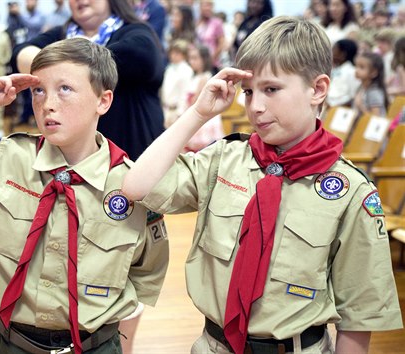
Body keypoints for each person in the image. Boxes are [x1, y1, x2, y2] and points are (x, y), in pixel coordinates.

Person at [122, 16, 403, 354]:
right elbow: (137, 186)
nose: (255, 106)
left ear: (317, 89)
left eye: (271, 89)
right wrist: (198, 114)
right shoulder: (224, 160)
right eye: (249, 91)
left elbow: (359, 318)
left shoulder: (350, 192)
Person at [0, 38, 169, 354]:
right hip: (13, 344)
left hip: (97, 346)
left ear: (103, 101)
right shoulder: (4, 160)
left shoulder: (131, 183)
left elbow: (145, 272)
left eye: (65, 89)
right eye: (38, 90)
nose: (48, 103)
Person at [11, 0, 166, 161]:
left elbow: (141, 57)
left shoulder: (137, 33)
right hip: (73, 164)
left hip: (133, 159)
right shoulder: (61, 35)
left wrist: (55, 67)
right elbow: (19, 54)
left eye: (65, 88)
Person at [161, 39, 194, 128]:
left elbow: (185, 93)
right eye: (172, 52)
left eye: (177, 53)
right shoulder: (169, 68)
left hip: (176, 111)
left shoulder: (187, 70)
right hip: (165, 109)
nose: (173, 56)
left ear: (184, 55)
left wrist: (180, 113)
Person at [353, 51, 389, 117]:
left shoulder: (374, 92)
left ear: (373, 73)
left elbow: (376, 118)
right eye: (356, 66)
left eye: (361, 67)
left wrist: (361, 106)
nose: (356, 70)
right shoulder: (361, 87)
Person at [326, 38, 360, 108]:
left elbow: (352, 96)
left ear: (343, 55)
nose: (331, 53)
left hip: (338, 108)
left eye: (334, 50)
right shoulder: (335, 69)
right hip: (328, 105)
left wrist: (335, 107)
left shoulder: (351, 72)